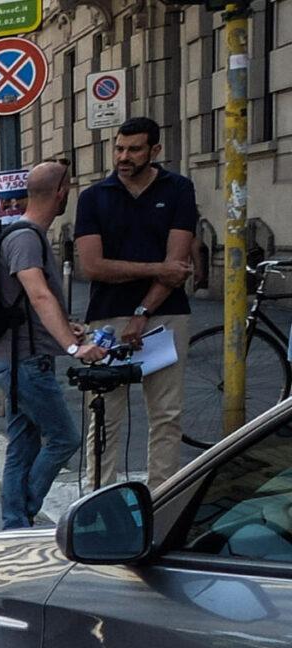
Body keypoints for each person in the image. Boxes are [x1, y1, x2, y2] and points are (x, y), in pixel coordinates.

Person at [75, 115, 197, 484]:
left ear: (155, 150)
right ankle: (98, 499)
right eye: (119, 148)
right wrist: (156, 269)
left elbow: (177, 266)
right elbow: (93, 267)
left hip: (164, 316)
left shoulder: (178, 189)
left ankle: (160, 500)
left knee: (166, 415)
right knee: (104, 417)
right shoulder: (93, 197)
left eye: (134, 149)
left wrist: (143, 311)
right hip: (106, 319)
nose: (123, 156)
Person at [0, 161, 109, 531]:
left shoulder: (24, 234)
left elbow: (33, 305)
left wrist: (65, 328)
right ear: (62, 192)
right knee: (64, 438)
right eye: (68, 189)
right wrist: (75, 350)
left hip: (15, 358)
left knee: (22, 446)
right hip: (24, 362)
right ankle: (23, 513)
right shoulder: (26, 238)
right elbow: (39, 294)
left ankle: (14, 526)